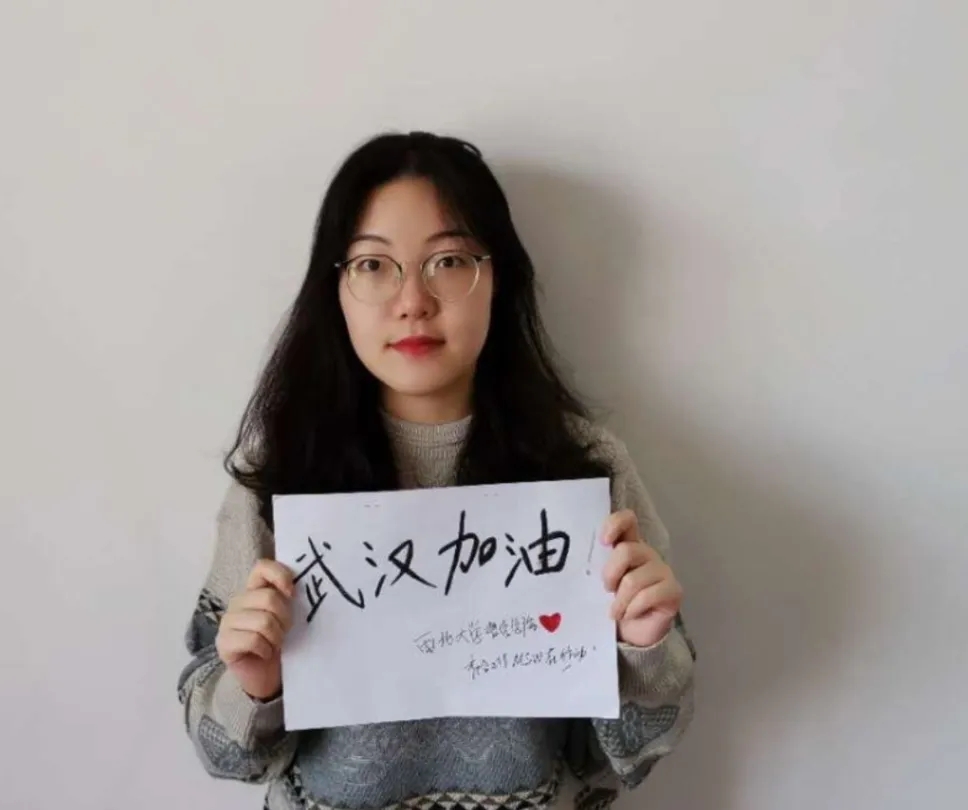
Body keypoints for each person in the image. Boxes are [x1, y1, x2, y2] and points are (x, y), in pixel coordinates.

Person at [177, 131, 696, 810]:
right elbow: (223, 753)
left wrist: (642, 651)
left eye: (448, 261)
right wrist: (255, 685)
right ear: (336, 288)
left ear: (497, 277)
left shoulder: (583, 467)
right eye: (373, 264)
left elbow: (629, 754)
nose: (412, 300)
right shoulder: (277, 474)